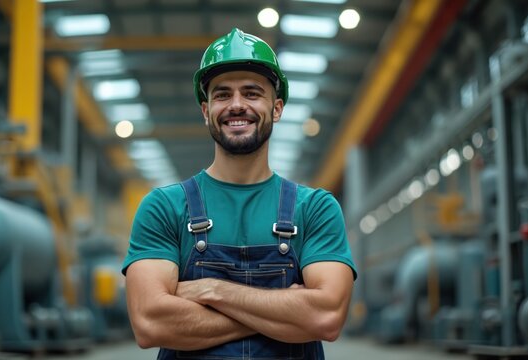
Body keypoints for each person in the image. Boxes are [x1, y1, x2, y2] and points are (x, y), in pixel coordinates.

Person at [122, 28, 357, 359]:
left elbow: (326, 317)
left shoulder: (316, 208)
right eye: (221, 95)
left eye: (251, 93)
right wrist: (286, 310)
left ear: (276, 109)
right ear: (206, 112)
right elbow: (149, 323)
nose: (236, 105)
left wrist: (213, 290)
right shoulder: (164, 207)